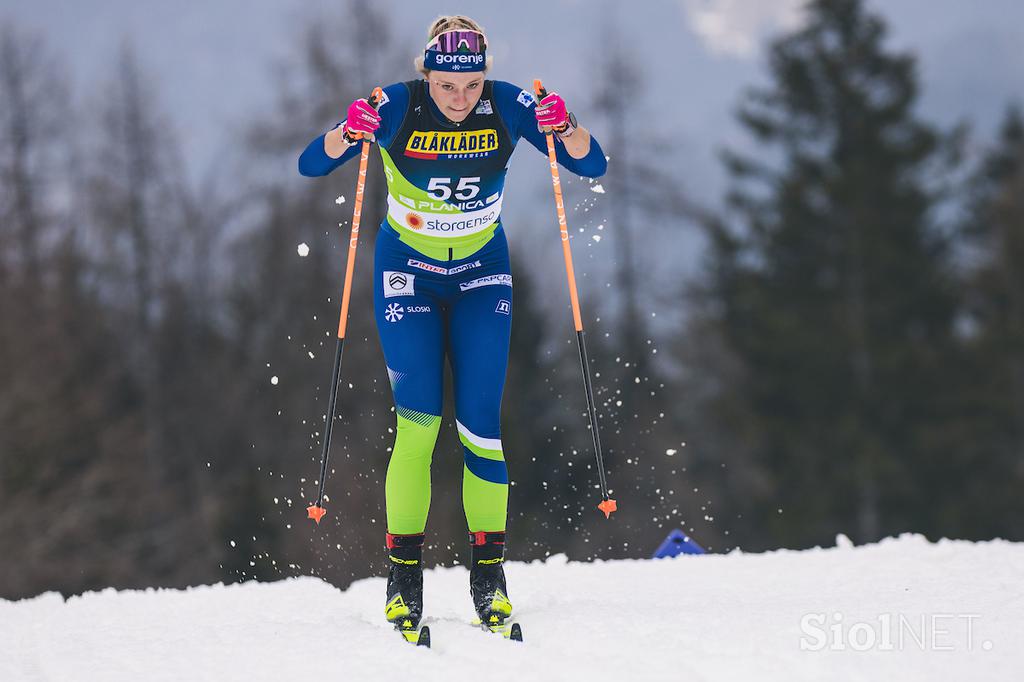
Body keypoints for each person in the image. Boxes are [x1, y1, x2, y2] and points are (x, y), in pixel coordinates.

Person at [298, 15, 607, 633]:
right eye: (446, 87)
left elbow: (591, 164)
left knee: (480, 430)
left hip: (481, 275)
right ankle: (403, 582)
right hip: (407, 273)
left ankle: (489, 582)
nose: (459, 100)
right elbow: (311, 164)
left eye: (469, 87)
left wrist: (565, 125)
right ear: (427, 75)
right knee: (418, 426)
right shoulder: (397, 105)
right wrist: (345, 131)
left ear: (483, 77)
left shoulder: (511, 104)